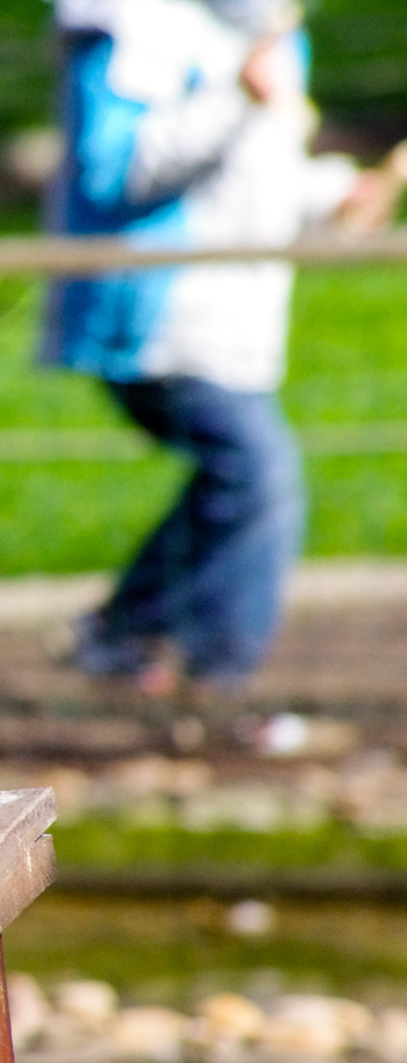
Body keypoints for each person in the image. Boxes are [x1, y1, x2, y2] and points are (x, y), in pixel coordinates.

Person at [45, 0, 402, 694]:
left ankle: (140, 640)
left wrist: (338, 195)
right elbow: (113, 171)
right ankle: (210, 672)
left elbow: (251, 184)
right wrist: (234, 95)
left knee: (240, 481)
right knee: (258, 477)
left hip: (236, 322)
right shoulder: (131, 26)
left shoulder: (266, 34)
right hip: (157, 315)